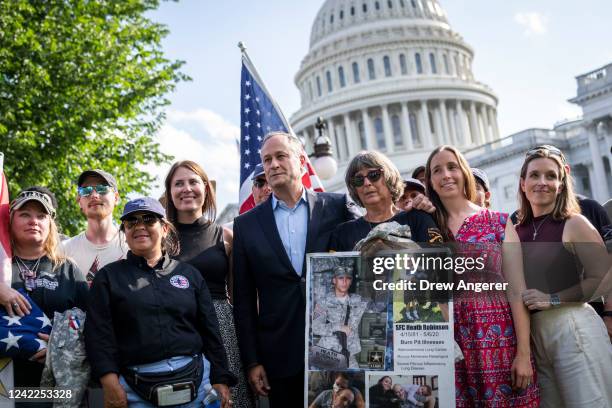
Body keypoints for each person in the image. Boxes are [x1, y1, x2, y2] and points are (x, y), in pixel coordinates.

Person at [232, 131, 360, 407]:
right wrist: (252, 361)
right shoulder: (246, 225)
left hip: (337, 348)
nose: (273, 164)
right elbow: (243, 301)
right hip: (279, 355)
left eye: (280, 156)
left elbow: (370, 239)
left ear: (302, 162)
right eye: (267, 160)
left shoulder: (336, 207)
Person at [85, 197, 236, 408]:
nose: (140, 226)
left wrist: (220, 378)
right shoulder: (107, 277)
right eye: (131, 222)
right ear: (124, 233)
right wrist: (109, 382)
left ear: (165, 228)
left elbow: (211, 331)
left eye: (148, 219)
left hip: (196, 383)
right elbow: (98, 335)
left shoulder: (189, 274)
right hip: (134, 388)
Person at [425, 145, 539, 407]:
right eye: (437, 170)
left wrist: (523, 353)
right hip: (449, 346)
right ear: (430, 181)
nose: (446, 175)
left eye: (452, 167)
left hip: (500, 341)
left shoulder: (498, 222)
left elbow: (516, 290)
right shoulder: (426, 227)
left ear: (464, 171)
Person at [514, 146, 612, 407]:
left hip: (573, 327)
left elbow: (604, 276)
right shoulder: (514, 231)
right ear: (523, 183)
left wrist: (554, 299)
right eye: (534, 175)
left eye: (551, 176)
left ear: (561, 184)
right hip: (535, 337)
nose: (542, 182)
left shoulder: (574, 223)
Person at [163, 160, 253, 407]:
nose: (186, 189)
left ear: (205, 188)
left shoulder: (226, 237)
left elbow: (238, 297)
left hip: (222, 327)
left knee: (232, 401)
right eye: (178, 184)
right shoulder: (160, 241)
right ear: (170, 193)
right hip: (179, 328)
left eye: (193, 182)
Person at [3, 188, 89, 406]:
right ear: (10, 220)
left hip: (57, 389)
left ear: (50, 224)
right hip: (5, 388)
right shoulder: (1, 267)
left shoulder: (68, 269)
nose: (34, 221)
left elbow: (94, 326)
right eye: (25, 214)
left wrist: (63, 344)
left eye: (41, 216)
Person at [331, 151, 441, 252]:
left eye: (373, 175)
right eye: (358, 179)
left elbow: (438, 262)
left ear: (389, 178)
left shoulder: (418, 218)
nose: (366, 183)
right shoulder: (343, 233)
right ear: (354, 188)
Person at [62, 169, 127, 284]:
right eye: (86, 191)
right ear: (79, 201)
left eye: (102, 189)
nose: (94, 195)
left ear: (116, 198)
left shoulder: (131, 246)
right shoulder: (64, 251)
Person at [312, 266, 368, 368]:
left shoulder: (358, 301)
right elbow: (315, 328)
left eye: (348, 278)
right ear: (334, 280)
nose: (344, 282)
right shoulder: (323, 302)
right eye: (341, 278)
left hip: (349, 354)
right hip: (328, 352)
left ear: (351, 282)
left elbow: (377, 306)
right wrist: (338, 327)